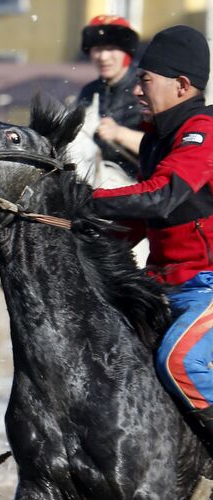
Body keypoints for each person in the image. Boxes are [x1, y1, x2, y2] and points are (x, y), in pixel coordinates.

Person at [90, 26, 213, 427]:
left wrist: (80, 198)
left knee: (180, 363)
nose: (137, 91)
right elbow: (141, 221)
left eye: (145, 80)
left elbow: (159, 196)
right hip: (161, 285)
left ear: (180, 85)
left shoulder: (204, 132)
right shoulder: (155, 139)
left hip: (206, 286)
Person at [76, 15, 145, 180]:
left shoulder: (145, 88)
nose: (103, 57)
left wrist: (120, 134)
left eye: (111, 48)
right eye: (97, 49)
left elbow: (168, 146)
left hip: (141, 187)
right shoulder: (88, 92)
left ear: (127, 53)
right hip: (94, 183)